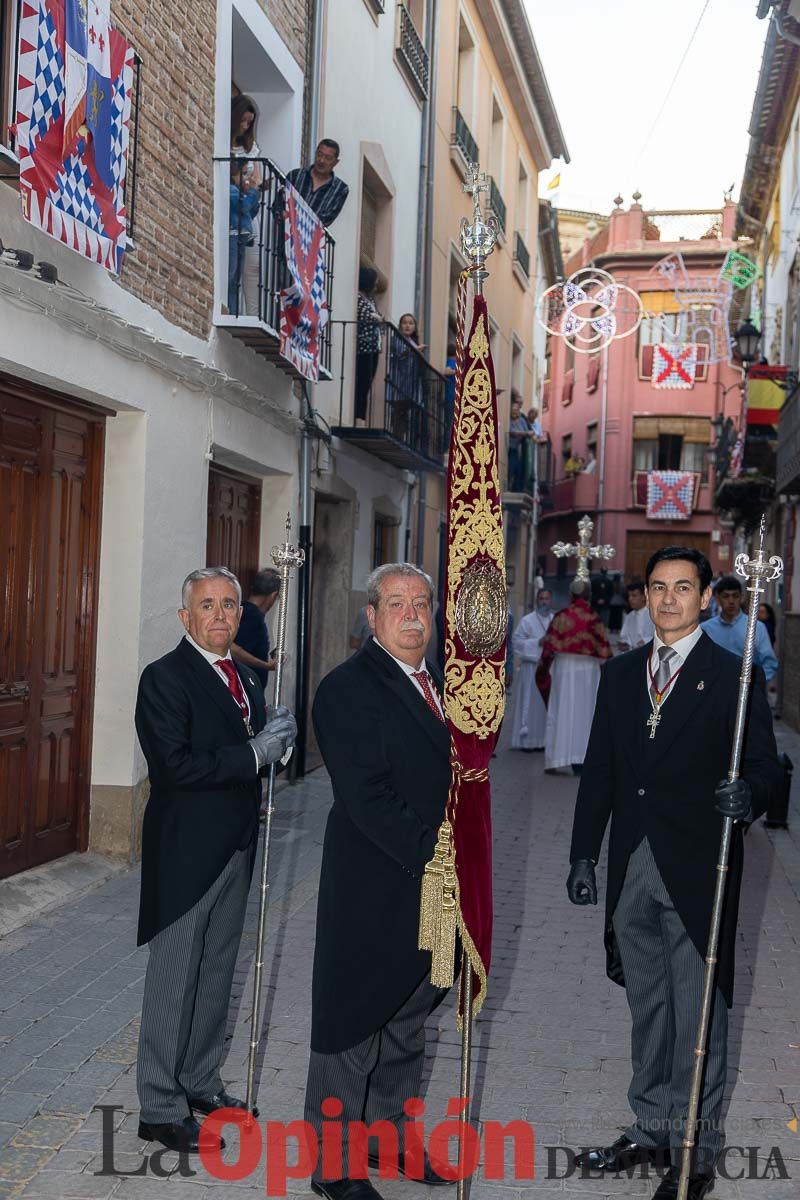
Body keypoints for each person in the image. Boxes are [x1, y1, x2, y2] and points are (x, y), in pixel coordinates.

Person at [567, 546, 781, 1200]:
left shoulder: (732, 677)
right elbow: (600, 767)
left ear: (706, 596)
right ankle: (652, 1126)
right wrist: (583, 852)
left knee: (698, 1016)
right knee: (649, 1008)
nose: (667, 600)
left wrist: (751, 796)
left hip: (698, 869)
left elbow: (768, 766)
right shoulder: (623, 673)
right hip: (633, 863)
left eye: (682, 588)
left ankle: (694, 1151)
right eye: (658, 587)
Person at [134, 568, 297, 1154]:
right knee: (175, 978)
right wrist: (254, 751)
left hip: (235, 844)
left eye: (229, 604)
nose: (222, 614)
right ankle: (158, 1105)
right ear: (186, 617)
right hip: (186, 851)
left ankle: (199, 1081)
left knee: (215, 975)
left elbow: (253, 753)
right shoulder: (165, 678)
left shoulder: (243, 679)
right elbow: (175, 767)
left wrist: (278, 739)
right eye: (208, 605)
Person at [305, 563, 453, 1200]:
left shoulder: (443, 685)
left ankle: (389, 1137)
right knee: (354, 1018)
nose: (412, 615)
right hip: (376, 877)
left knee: (411, 1014)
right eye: (396, 604)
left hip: (437, 882)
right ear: (371, 616)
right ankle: (334, 1166)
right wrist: (436, 855)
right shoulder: (346, 689)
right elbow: (366, 795)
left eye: (421, 603)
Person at [536, 577, 611, 774]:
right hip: (589, 670)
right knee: (585, 713)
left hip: (563, 669)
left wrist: (543, 669)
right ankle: (582, 761)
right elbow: (604, 651)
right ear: (589, 595)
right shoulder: (594, 617)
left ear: (571, 595)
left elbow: (548, 649)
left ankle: (555, 760)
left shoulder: (561, 616)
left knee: (561, 710)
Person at [703, 574, 778, 682]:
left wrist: (754, 685)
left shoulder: (757, 627)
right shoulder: (706, 629)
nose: (731, 601)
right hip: (714, 692)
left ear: (741, 597)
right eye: (726, 596)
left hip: (748, 691)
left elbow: (770, 663)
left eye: (735, 596)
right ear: (718, 599)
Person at [230, 95, 262, 317]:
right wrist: (242, 184)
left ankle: (251, 316)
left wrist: (246, 185)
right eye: (243, 120)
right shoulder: (222, 142)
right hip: (232, 208)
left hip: (249, 210)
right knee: (231, 269)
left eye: (249, 122)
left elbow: (257, 181)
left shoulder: (250, 148)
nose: (245, 125)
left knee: (251, 269)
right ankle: (230, 310)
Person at [510, 589, 553, 751]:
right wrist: (537, 643)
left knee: (543, 705)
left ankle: (541, 741)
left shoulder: (555, 620)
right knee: (529, 703)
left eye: (547, 598)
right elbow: (517, 641)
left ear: (551, 601)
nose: (544, 602)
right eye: (541, 599)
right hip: (531, 669)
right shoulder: (527, 621)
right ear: (536, 601)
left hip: (548, 669)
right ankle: (526, 741)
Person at [231, 567, 280, 688]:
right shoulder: (252, 616)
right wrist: (266, 665)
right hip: (244, 691)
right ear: (273, 595)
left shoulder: (243, 610)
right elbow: (231, 650)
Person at [286, 139, 349, 227]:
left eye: (328, 158)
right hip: (285, 234)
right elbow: (278, 204)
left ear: (335, 162)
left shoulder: (340, 189)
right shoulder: (295, 175)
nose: (322, 160)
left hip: (312, 238)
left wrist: (298, 221)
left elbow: (327, 220)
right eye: (319, 155)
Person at [228, 162, 261, 314]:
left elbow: (250, 212)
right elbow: (244, 207)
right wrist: (254, 190)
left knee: (235, 281)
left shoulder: (238, 192)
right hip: (234, 236)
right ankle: (229, 309)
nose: (246, 178)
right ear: (235, 174)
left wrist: (253, 192)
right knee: (231, 276)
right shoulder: (231, 190)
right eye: (244, 174)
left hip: (241, 238)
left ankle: (232, 311)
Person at [355, 267, 383, 425]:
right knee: (363, 382)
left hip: (374, 347)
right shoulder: (358, 298)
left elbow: (380, 318)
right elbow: (365, 316)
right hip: (364, 347)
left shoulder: (370, 300)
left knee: (368, 382)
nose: (377, 285)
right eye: (375, 282)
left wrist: (377, 317)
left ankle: (361, 417)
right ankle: (358, 417)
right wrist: (376, 318)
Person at [618, 580, 655, 651]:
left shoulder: (653, 614)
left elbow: (661, 637)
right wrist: (625, 643)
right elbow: (624, 636)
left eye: (634, 595)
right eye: (629, 596)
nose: (630, 599)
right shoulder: (629, 616)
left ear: (644, 597)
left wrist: (645, 641)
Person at [508, 397, 532, 491]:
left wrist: (531, 434)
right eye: (513, 410)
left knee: (518, 470)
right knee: (511, 468)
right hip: (510, 448)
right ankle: (510, 487)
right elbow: (512, 432)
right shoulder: (509, 420)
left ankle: (516, 487)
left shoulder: (522, 420)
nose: (514, 412)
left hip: (517, 449)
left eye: (516, 410)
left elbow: (528, 432)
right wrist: (526, 434)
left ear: (519, 411)